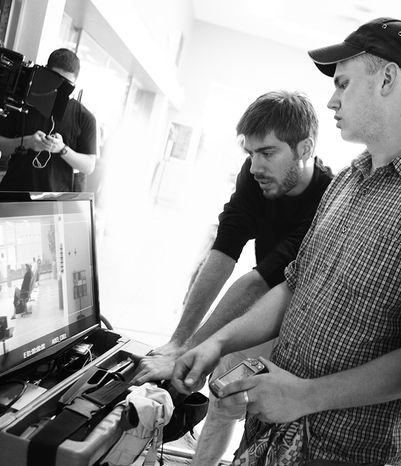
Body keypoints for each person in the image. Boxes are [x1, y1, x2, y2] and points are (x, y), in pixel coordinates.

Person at [171, 18, 401, 465]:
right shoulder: (346, 182)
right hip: (269, 434)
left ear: (387, 78)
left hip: (340, 452)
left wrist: (306, 396)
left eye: (342, 83)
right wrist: (217, 343)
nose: (331, 100)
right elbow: (293, 285)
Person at [130, 90, 333, 465]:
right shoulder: (255, 176)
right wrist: (178, 343)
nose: (255, 166)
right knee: (223, 392)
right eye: (250, 153)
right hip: (263, 309)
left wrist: (194, 347)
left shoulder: (328, 198)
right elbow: (224, 252)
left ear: (304, 148)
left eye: (268, 153)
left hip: (304, 326)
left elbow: (260, 280)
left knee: (259, 412)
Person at [0, 48, 97, 192]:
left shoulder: (84, 117)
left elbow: (89, 166)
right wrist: (26, 142)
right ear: (46, 71)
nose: (60, 89)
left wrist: (62, 149)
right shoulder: (25, 101)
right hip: (13, 192)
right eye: (55, 81)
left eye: (67, 85)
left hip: (53, 203)